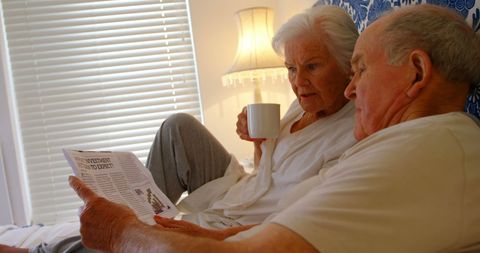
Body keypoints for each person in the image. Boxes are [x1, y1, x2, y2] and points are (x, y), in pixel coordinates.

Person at [58, 3, 480, 253]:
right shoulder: (404, 144)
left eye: (361, 69)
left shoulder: (415, 152)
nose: (352, 90)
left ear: (417, 72)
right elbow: (305, 221)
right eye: (292, 68)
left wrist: (120, 231)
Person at [0, 5, 359, 253]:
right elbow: (272, 169)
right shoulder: (303, 104)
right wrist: (258, 143)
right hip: (239, 191)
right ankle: (139, 212)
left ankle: (65, 243)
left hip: (245, 219)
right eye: (291, 69)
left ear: (348, 65)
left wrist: (211, 237)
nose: (299, 82)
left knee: (122, 232)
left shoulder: (355, 133)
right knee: (178, 127)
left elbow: (298, 214)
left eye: (312, 66)